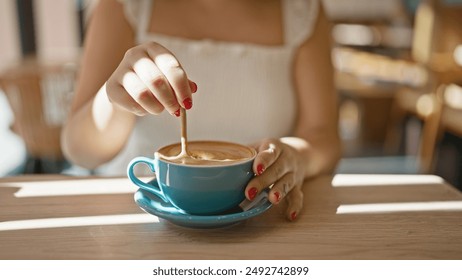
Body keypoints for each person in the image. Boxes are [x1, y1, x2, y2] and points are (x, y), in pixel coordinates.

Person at [61, 0, 341, 221]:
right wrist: (116, 99)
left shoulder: (302, 11)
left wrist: (297, 156)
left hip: (260, 225)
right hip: (133, 226)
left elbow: (323, 136)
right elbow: (80, 152)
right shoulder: (123, 6)